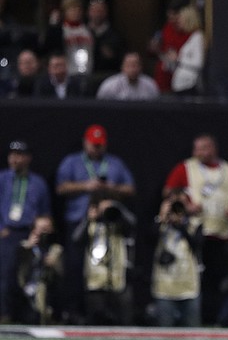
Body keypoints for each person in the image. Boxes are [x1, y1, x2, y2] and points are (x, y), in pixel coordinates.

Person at [162, 133, 228, 324]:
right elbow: (169, 191)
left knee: (218, 280)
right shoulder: (185, 167)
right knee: (195, 279)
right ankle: (194, 318)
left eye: (201, 148)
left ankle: (215, 318)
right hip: (195, 233)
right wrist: (186, 203)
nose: (196, 152)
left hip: (221, 233)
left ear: (212, 149)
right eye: (196, 148)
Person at [56, 124, 136, 324]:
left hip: (109, 223)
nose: (96, 149)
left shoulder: (114, 163)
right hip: (80, 220)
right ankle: (73, 312)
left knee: (111, 268)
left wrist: (110, 188)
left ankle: (110, 314)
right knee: (75, 268)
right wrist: (86, 186)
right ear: (85, 143)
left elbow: (130, 188)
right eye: (93, 145)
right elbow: (61, 187)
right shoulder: (72, 162)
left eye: (100, 145)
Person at [0, 140, 51, 323]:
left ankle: (29, 315)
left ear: (28, 158)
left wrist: (42, 227)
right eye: (12, 155)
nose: (15, 159)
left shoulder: (37, 183)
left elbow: (46, 213)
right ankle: (4, 314)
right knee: (6, 274)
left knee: (30, 278)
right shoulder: (3, 179)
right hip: (7, 233)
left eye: (19, 155)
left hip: (30, 234)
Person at [74, 194, 136, 325]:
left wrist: (116, 208)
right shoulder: (92, 224)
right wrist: (88, 219)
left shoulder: (118, 223)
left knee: (123, 320)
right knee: (96, 318)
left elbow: (132, 224)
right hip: (95, 280)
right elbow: (76, 239)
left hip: (117, 279)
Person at [150, 192, 202, 327]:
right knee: (164, 332)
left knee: (193, 332)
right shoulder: (161, 225)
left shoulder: (194, 225)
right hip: (164, 288)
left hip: (189, 287)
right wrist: (161, 217)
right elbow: (148, 240)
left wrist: (181, 225)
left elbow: (196, 245)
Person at [14, 215, 62, 325]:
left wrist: (55, 264)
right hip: (27, 295)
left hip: (50, 294)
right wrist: (29, 248)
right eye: (40, 229)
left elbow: (63, 278)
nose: (43, 233)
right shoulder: (24, 248)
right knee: (32, 317)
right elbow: (18, 272)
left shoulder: (56, 250)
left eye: (47, 229)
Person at [42, 0, 93, 78]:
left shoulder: (88, 29)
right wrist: (53, 25)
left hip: (88, 71)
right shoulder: (60, 30)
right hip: (67, 73)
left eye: (78, 9)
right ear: (65, 12)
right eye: (71, 9)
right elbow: (50, 47)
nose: (75, 12)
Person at [148, 4, 190, 94]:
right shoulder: (167, 28)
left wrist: (178, 57)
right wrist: (155, 48)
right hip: (164, 74)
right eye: (169, 17)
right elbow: (156, 49)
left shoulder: (190, 34)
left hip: (182, 75)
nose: (171, 21)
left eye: (174, 18)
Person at [86, 0, 125, 91]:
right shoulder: (82, 32)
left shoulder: (115, 35)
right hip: (85, 77)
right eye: (94, 10)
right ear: (88, 12)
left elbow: (122, 59)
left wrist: (111, 56)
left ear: (106, 12)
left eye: (100, 10)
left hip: (108, 78)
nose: (97, 14)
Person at [169, 6, 204, 96]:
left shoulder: (198, 37)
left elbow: (198, 63)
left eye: (181, 20)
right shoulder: (191, 38)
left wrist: (178, 58)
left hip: (189, 84)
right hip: (180, 85)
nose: (179, 23)